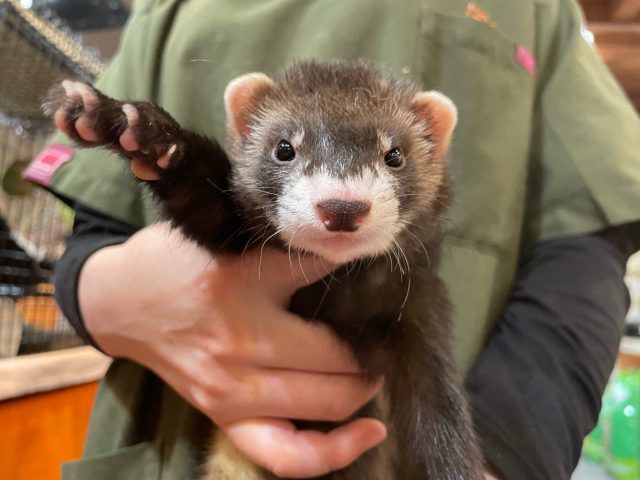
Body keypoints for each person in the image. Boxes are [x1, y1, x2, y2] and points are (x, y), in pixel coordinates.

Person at [29, 0, 640, 478]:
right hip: (174, 441)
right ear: (244, 125)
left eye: (394, 158)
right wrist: (111, 299)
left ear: (434, 140)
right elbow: (125, 226)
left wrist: (500, 459)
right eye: (285, 152)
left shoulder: (539, 10)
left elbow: (587, 242)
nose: (342, 198)